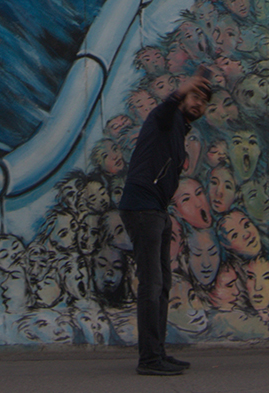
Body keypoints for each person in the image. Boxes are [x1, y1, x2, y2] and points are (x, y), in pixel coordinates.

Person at [118, 72, 211, 376]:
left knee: (162, 285)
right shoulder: (163, 119)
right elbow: (166, 107)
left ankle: (158, 352)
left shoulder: (178, 130)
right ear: (182, 97)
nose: (198, 104)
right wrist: (181, 91)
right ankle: (149, 359)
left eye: (203, 102)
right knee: (152, 283)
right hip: (142, 207)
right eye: (194, 97)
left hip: (156, 210)